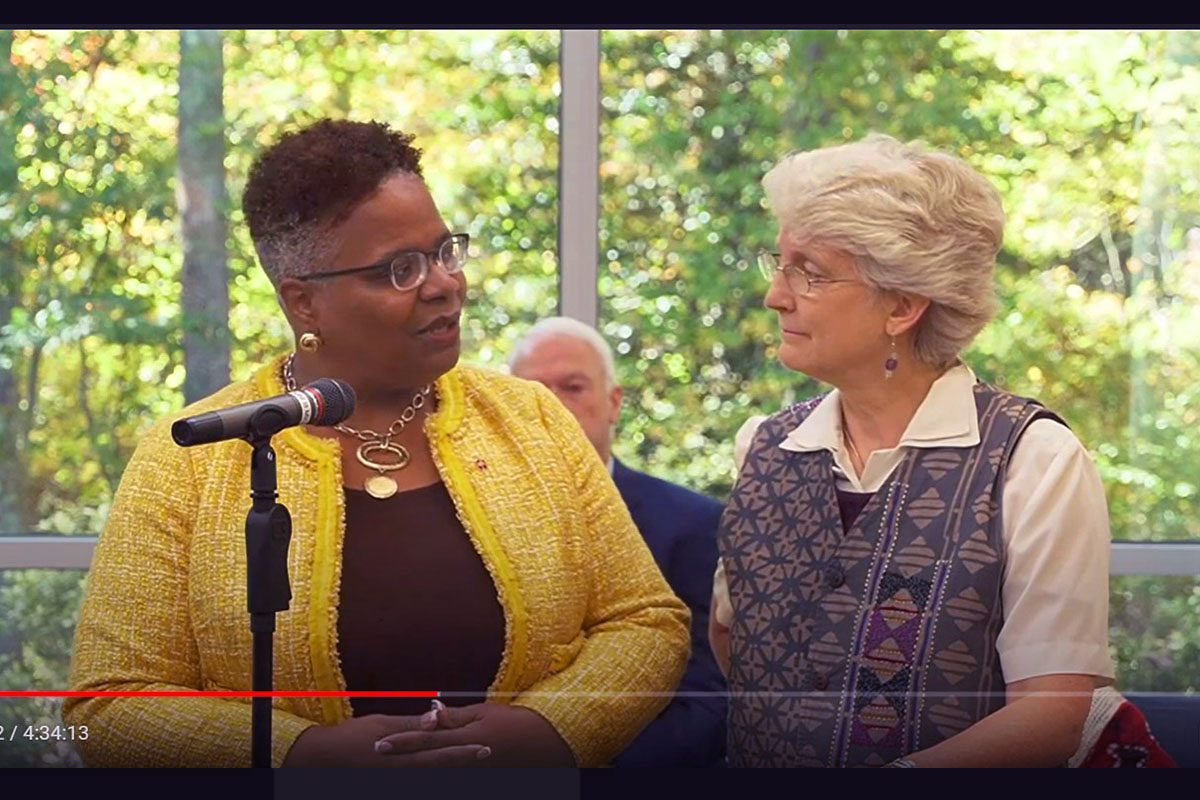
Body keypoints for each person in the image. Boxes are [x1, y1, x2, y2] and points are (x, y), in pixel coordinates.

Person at [64, 119, 689, 768]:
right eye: (399, 270)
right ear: (303, 302)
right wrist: (302, 755)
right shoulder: (188, 459)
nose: (444, 283)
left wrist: (550, 730)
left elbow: (647, 620)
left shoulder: (532, 418)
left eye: (446, 251)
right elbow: (111, 704)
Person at [709, 133, 1115, 767]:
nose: (776, 295)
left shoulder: (1034, 460)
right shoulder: (763, 445)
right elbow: (736, 641)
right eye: (779, 263)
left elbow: (1052, 713)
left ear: (902, 305)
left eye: (809, 273)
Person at [509, 317, 727, 767]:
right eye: (532, 393)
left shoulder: (695, 525)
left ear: (613, 403)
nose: (552, 407)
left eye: (572, 387)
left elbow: (709, 699)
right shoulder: (467, 520)